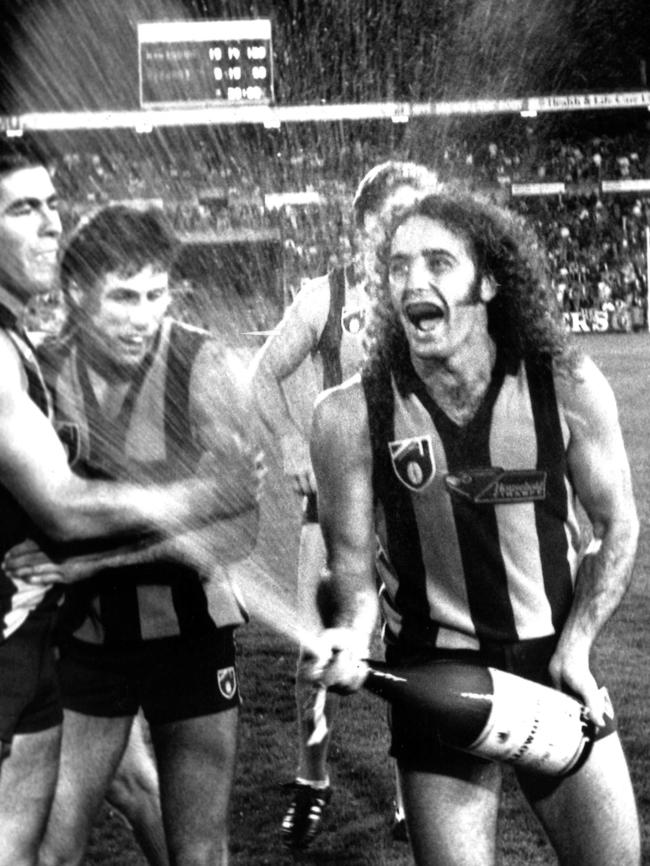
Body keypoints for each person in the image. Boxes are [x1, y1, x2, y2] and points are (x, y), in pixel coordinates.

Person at [305, 188, 640, 866]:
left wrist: (576, 647)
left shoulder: (563, 383)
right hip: (435, 675)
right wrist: (347, 630)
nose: (412, 282)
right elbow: (353, 571)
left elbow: (617, 524)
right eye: (398, 267)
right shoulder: (348, 415)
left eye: (437, 262)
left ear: (489, 280)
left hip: (550, 664)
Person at [0, 140, 255, 866]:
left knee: (199, 850)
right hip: (87, 647)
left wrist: (94, 564)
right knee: (51, 844)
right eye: (123, 297)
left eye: (158, 296)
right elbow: (53, 509)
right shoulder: (40, 372)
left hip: (192, 640)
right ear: (77, 293)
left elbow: (241, 528)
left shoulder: (203, 367)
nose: (144, 318)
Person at [251, 161, 438, 849]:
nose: (416, 224)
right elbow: (262, 374)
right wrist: (296, 446)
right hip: (337, 499)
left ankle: (407, 791)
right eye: (400, 213)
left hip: (418, 498)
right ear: (365, 226)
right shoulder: (326, 296)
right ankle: (314, 779)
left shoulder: (437, 289)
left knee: (417, 648)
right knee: (315, 644)